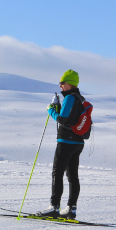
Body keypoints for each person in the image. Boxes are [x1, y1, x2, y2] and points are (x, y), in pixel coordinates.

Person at [35, 69, 86, 220]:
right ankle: (71, 209)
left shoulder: (70, 98)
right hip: (77, 141)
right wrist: (58, 109)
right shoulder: (79, 98)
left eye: (62, 83)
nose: (60, 86)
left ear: (70, 83)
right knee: (72, 176)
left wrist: (51, 110)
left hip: (66, 141)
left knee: (57, 173)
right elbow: (69, 117)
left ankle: (54, 207)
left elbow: (62, 120)